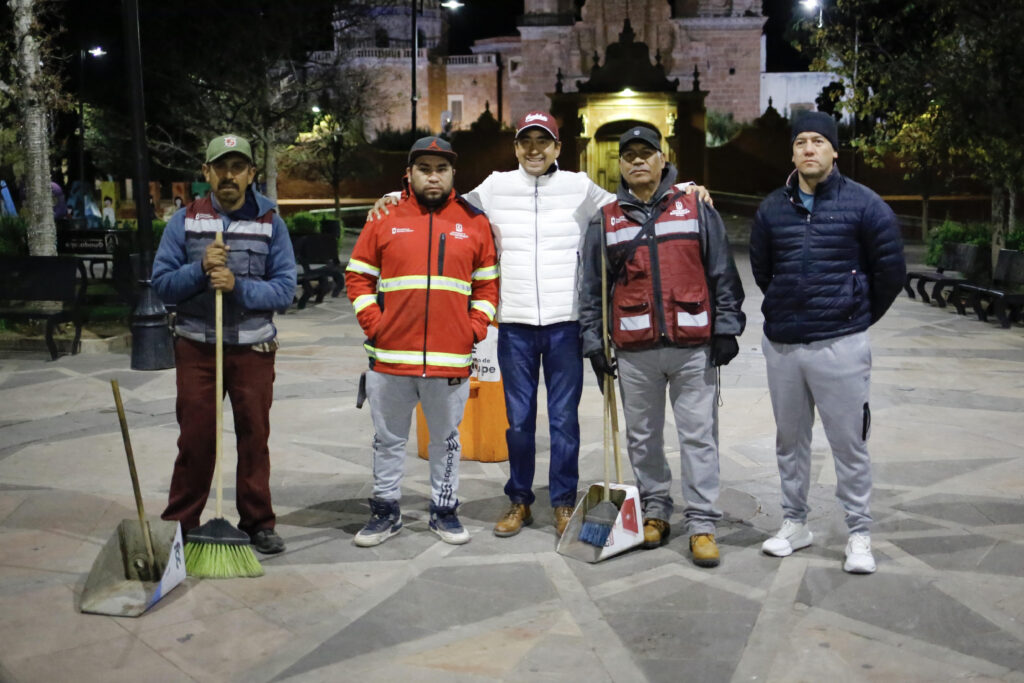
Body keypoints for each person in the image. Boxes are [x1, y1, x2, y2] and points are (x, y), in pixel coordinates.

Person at [370, 111, 709, 539]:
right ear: (516, 148)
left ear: (557, 148)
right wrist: (393, 194)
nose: (534, 150)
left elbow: (636, 201)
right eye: (526, 142)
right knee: (520, 421)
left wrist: (682, 189)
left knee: (565, 419)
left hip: (565, 324)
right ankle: (520, 500)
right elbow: (444, 199)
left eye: (543, 142)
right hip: (514, 325)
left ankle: (563, 501)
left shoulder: (579, 188)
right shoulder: (495, 187)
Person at [579, 125, 745, 567]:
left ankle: (703, 524)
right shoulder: (605, 218)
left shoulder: (694, 207)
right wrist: (595, 343)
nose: (637, 161)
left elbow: (722, 272)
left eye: (645, 153)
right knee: (643, 438)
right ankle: (655, 511)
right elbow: (591, 290)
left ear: (662, 158)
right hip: (634, 352)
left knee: (698, 437)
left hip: (693, 348)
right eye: (628, 154)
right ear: (620, 164)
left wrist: (727, 327)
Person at [749, 112, 906, 574]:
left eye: (819, 141)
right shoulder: (773, 208)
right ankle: (794, 523)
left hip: (840, 344)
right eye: (801, 142)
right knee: (789, 441)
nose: (809, 149)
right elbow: (763, 270)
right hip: (784, 346)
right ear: (793, 153)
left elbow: (890, 274)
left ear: (835, 150)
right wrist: (787, 305)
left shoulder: (865, 204)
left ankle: (859, 533)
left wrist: (854, 314)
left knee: (849, 443)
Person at [346, 136, 499, 547]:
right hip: (391, 357)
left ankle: (444, 510)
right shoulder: (384, 217)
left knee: (446, 441)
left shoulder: (474, 222)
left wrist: (474, 329)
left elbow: (487, 287)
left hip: (450, 360)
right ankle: (385, 510)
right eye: (425, 169)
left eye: (442, 169)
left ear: (453, 174)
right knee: (388, 440)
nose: (434, 176)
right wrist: (374, 324)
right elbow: (358, 275)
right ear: (409, 174)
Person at [152, 134, 296, 555]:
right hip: (197, 347)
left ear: (252, 172)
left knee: (254, 436)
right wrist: (199, 269)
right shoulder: (185, 222)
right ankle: (181, 521)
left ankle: (257, 522)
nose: (229, 175)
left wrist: (237, 287)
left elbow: (285, 290)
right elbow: (162, 285)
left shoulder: (271, 222)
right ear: (206, 172)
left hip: (253, 350)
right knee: (195, 438)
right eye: (221, 167)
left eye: (238, 166)